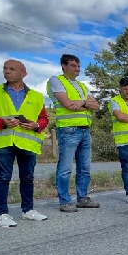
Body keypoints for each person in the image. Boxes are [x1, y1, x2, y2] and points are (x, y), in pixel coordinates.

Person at [0, 60, 49, 227]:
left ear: (23, 74)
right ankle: (1, 215)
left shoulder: (36, 96)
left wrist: (36, 125)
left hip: (27, 142)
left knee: (27, 177)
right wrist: (1, 123)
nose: (7, 71)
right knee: (3, 177)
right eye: (5, 68)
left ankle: (28, 211)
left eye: (12, 69)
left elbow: (44, 118)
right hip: (4, 141)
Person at [47, 54, 100, 213]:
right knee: (65, 168)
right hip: (69, 130)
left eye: (78, 66)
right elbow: (68, 104)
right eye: (73, 66)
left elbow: (96, 106)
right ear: (63, 66)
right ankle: (64, 201)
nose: (77, 69)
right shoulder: (56, 81)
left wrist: (82, 103)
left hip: (85, 130)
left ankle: (82, 198)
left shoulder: (82, 86)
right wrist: (86, 104)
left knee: (85, 168)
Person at [110, 77, 128, 204]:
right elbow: (120, 116)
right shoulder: (114, 101)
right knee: (127, 168)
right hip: (123, 141)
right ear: (120, 89)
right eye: (125, 89)